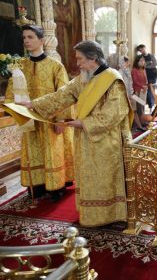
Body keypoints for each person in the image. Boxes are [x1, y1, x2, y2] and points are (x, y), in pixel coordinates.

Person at [17, 40, 132, 227]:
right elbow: (62, 95)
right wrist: (33, 104)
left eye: (80, 59)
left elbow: (115, 113)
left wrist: (83, 123)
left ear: (93, 58)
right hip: (85, 139)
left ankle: (113, 217)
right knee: (88, 178)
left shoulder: (112, 79)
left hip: (106, 142)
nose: (77, 63)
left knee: (106, 180)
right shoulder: (84, 78)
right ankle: (90, 215)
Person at [5, 24, 74, 202]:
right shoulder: (20, 66)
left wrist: (61, 120)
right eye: (24, 38)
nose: (26, 41)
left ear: (41, 40)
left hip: (50, 119)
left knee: (52, 151)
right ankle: (38, 185)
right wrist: (14, 109)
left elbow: (64, 94)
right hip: (29, 119)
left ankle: (56, 187)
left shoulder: (55, 66)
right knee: (33, 151)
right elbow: (12, 92)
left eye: (30, 37)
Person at [136, 44, 157, 110]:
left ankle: (152, 106)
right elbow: (142, 66)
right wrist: (149, 63)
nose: (142, 51)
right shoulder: (140, 57)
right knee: (147, 91)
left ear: (145, 48)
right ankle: (150, 106)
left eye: (142, 49)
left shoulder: (151, 56)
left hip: (153, 75)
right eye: (140, 50)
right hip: (145, 76)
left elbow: (155, 64)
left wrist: (146, 65)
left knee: (152, 90)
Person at [131, 54, 149, 131]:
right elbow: (135, 81)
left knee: (143, 106)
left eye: (143, 60)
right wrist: (143, 86)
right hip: (137, 91)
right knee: (139, 107)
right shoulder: (134, 70)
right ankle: (139, 124)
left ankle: (142, 121)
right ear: (137, 61)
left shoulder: (143, 69)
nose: (142, 62)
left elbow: (146, 79)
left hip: (144, 91)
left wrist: (146, 85)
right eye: (141, 60)